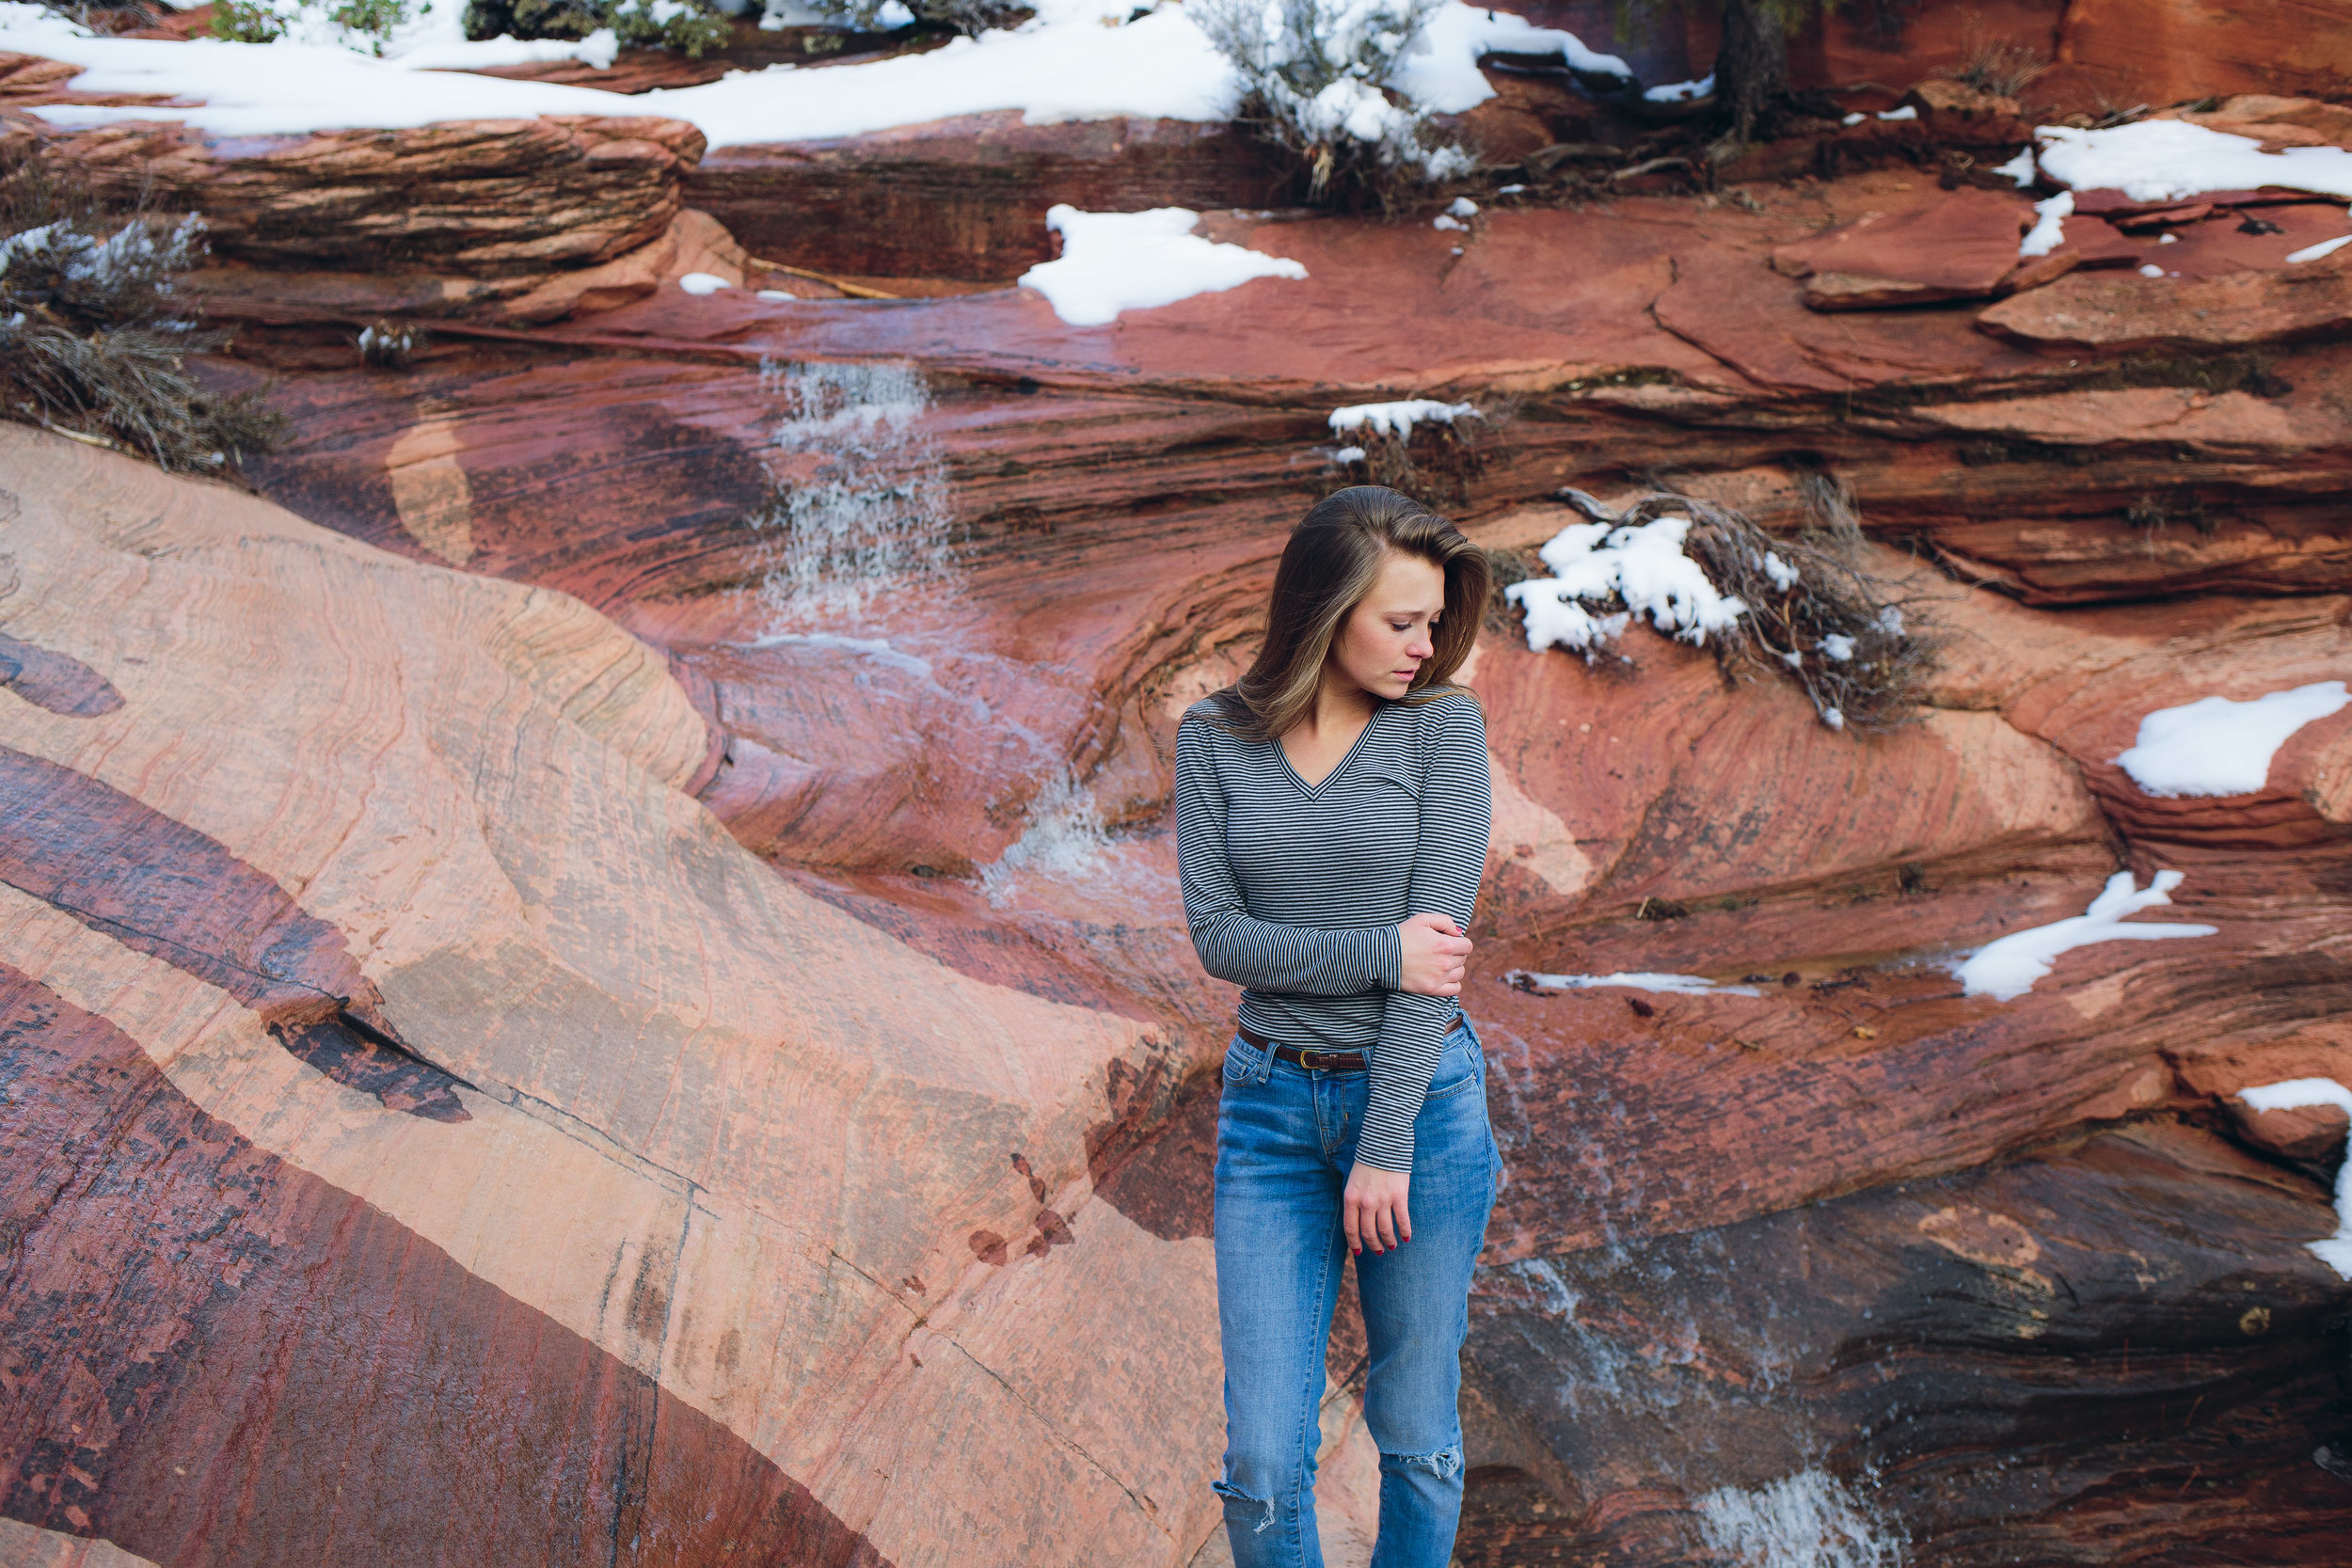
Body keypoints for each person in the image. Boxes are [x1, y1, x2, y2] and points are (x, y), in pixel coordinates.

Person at [1175, 484, 1498, 1567]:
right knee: (1265, 1455)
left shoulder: (1443, 729)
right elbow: (1222, 939)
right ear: (1324, 608)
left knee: (1413, 1432)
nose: (1426, 645)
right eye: (1402, 621)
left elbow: (1436, 967)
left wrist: (1386, 1143)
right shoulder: (1215, 738)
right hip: (1268, 1109)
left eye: (1435, 620)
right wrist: (1377, 948)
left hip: (1421, 1108)